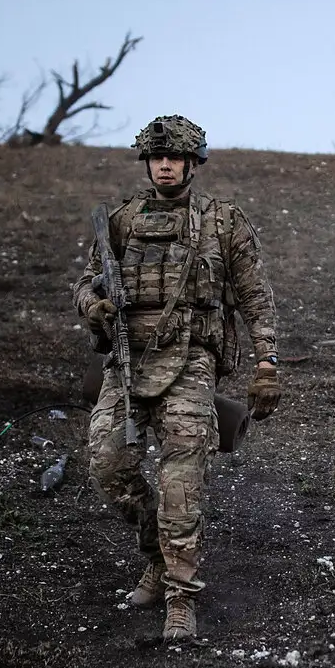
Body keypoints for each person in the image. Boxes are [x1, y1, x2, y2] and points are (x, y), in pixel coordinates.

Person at [73, 115, 281, 639]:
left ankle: (181, 598)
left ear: (193, 163)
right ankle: (158, 555)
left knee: (180, 482)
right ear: (147, 163)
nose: (164, 165)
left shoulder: (223, 221)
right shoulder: (119, 221)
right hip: (127, 362)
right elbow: (83, 284)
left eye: (175, 157)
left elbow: (256, 297)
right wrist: (93, 305)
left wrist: (266, 363)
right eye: (156, 157)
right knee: (107, 466)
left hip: (191, 360)